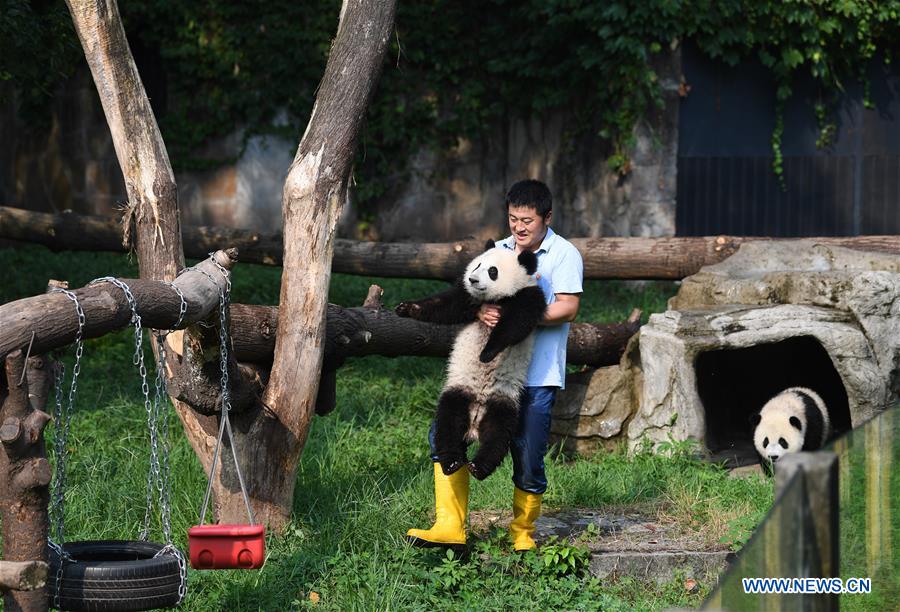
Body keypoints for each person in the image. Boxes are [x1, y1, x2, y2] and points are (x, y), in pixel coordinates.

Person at [406, 179, 584, 551]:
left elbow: (568, 306)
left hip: (535, 374)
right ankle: (449, 525)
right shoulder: (499, 251)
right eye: (512, 218)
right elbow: (469, 294)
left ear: (547, 218)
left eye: (527, 220)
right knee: (444, 434)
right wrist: (481, 308)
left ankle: (522, 532)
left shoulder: (564, 253)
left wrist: (516, 317)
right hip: (478, 372)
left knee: (528, 451)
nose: (518, 227)